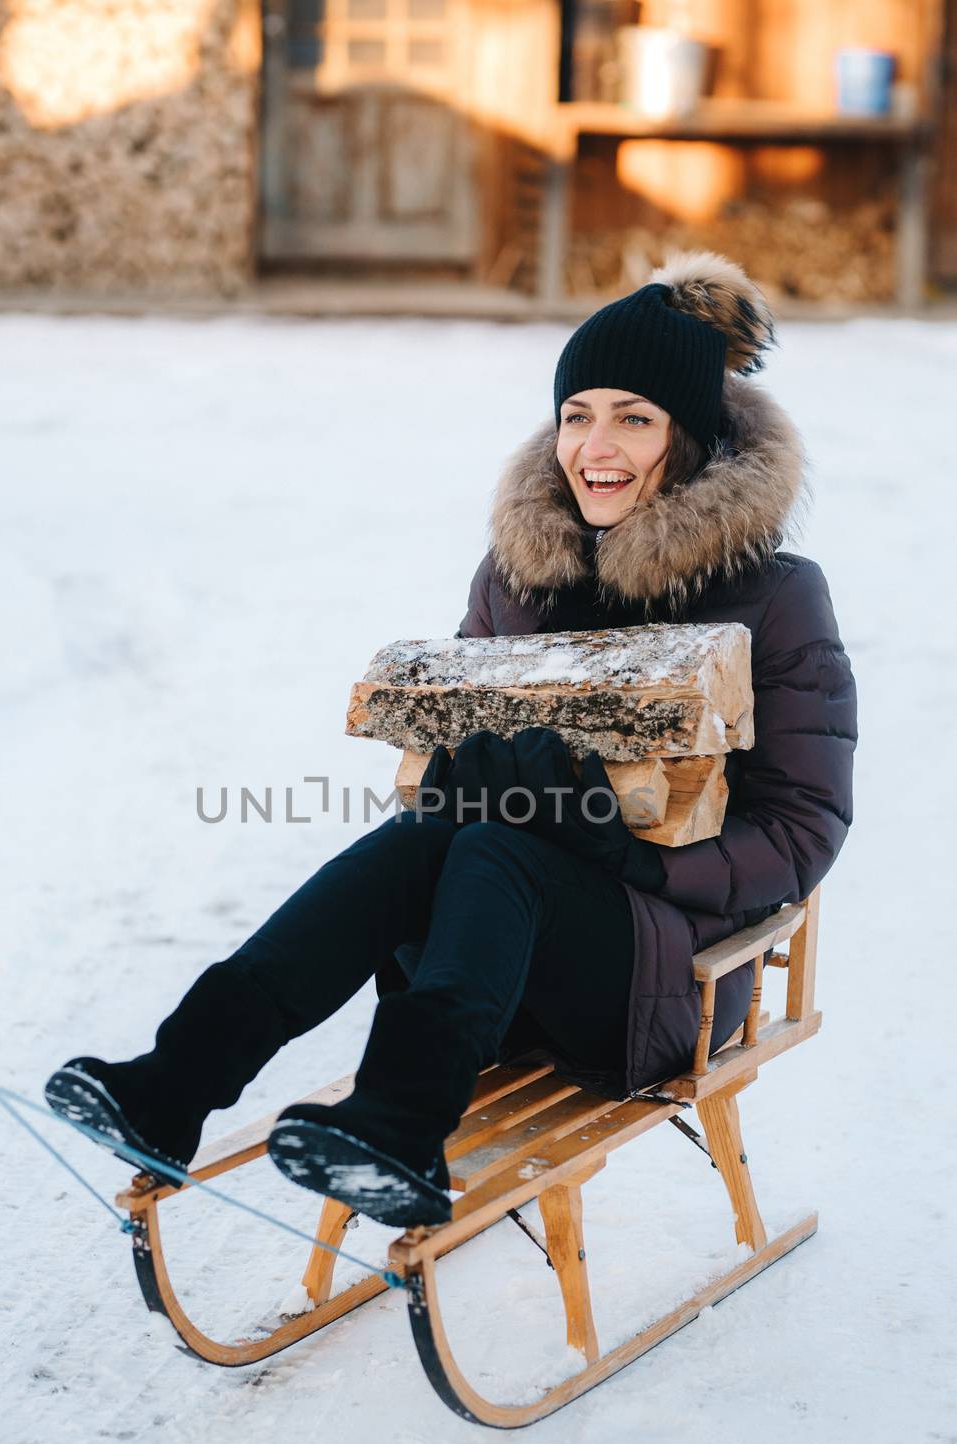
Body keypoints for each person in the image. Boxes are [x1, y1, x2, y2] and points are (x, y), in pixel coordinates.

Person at [45, 250, 857, 1230]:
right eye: (577, 414)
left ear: (688, 440)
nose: (596, 445)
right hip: (486, 967)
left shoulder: (773, 596)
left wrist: (638, 858)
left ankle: (401, 1121)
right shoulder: (517, 577)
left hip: (659, 973)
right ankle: (177, 1083)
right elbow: (455, 754)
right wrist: (464, 773)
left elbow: (805, 826)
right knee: (432, 840)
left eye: (634, 418)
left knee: (493, 852)